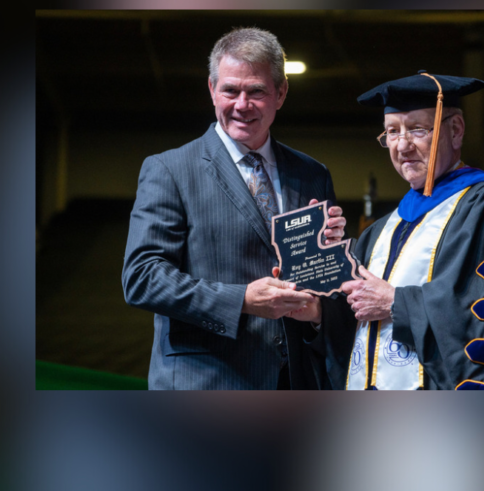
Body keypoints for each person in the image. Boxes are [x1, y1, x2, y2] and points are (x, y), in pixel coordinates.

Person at [304, 70, 484, 390]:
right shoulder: (382, 229)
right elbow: (360, 333)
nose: (403, 145)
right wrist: (316, 311)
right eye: (392, 132)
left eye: (417, 129)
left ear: (456, 130)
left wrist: (397, 303)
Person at [122, 27, 345, 390]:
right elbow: (142, 278)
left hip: (297, 382)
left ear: (281, 93)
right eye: (230, 90)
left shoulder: (312, 174)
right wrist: (241, 300)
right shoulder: (169, 169)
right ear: (212, 90)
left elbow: (325, 283)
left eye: (256, 91)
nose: (242, 105)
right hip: (207, 383)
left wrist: (329, 266)